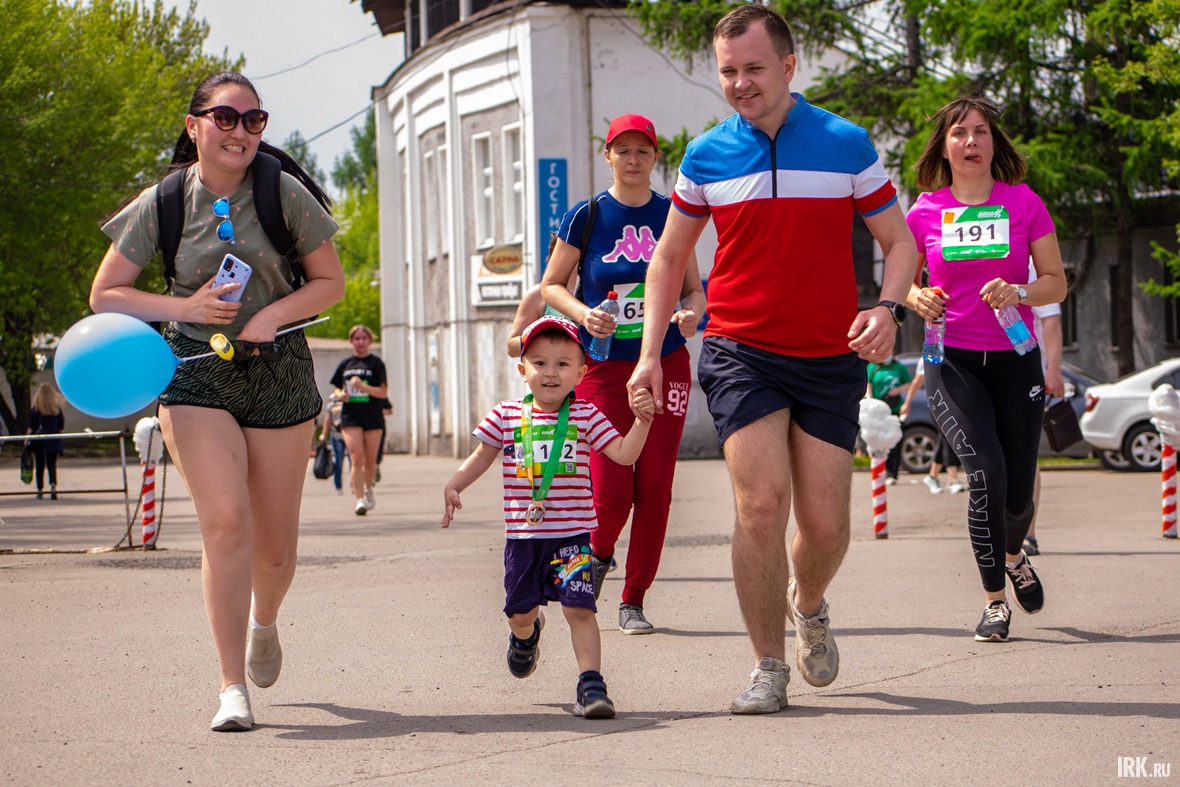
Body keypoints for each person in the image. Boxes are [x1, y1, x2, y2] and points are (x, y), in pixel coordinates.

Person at [627, 4, 917, 714]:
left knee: (824, 526)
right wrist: (647, 356)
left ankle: (808, 600)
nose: (740, 83)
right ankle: (767, 665)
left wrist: (888, 308)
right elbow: (668, 258)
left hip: (828, 354)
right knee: (760, 505)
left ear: (789, 66)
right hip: (739, 349)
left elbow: (900, 243)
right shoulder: (705, 154)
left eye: (754, 68)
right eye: (728, 71)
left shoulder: (846, 143)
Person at [91, 72, 345, 731]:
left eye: (253, 120)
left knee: (276, 553)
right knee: (227, 522)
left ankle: (266, 620)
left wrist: (273, 315)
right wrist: (185, 307)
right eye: (225, 118)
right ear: (194, 125)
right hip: (195, 370)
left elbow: (329, 283)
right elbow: (107, 293)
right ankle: (232, 685)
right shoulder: (166, 200)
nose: (239, 131)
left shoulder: (281, 190)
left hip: (278, 367)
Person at [904, 94, 1066, 643]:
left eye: (981, 132)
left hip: (1016, 361)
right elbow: (901, 280)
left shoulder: (1023, 203)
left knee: (1018, 493)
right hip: (951, 362)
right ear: (944, 147)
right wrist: (915, 295)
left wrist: (1019, 289)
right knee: (985, 473)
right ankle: (995, 602)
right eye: (959, 133)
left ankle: (1016, 553)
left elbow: (1056, 282)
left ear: (993, 143)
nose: (971, 141)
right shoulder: (924, 210)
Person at [441, 316, 655, 718]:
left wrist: (643, 421)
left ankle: (592, 686)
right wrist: (455, 484)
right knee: (519, 613)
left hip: (572, 537)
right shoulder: (505, 415)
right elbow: (481, 456)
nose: (550, 372)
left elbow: (625, 454)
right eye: (539, 362)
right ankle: (526, 635)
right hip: (524, 539)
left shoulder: (586, 415)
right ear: (523, 370)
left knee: (581, 609)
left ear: (581, 372)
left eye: (562, 363)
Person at [541, 113, 706, 634]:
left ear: (656, 158)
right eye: (623, 150)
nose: (633, 160)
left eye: (643, 151)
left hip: (666, 363)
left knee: (655, 488)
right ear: (607, 156)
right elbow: (550, 285)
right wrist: (582, 312)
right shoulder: (585, 217)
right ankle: (600, 552)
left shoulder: (673, 214)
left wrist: (690, 315)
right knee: (611, 492)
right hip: (605, 369)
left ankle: (633, 599)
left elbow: (694, 291)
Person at [1025, 264, 1065, 556]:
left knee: (1024, 455)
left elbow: (1050, 320)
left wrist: (1054, 370)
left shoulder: (1030, 265)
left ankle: (1028, 533)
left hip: (1026, 372)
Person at [330, 324, 388, 516]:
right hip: (350, 415)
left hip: (372, 416)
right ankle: (359, 499)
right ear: (351, 341)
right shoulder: (345, 364)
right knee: (356, 458)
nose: (360, 342)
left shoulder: (376, 364)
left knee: (370, 462)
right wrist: (342, 395)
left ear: (370, 341)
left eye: (364, 338)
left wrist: (363, 388)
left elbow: (383, 392)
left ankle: (368, 488)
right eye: (357, 338)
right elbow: (336, 388)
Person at [900, 358, 965, 494]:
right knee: (948, 438)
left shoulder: (955, 350)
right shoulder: (929, 354)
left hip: (955, 404)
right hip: (937, 406)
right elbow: (917, 382)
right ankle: (953, 478)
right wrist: (907, 403)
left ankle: (932, 475)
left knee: (944, 439)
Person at [864, 355, 912, 484]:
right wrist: (871, 400)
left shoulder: (899, 366)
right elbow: (868, 384)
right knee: (878, 442)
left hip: (895, 409)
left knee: (894, 442)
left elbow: (908, 384)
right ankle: (879, 471)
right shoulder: (873, 367)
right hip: (878, 410)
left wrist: (898, 390)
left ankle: (892, 473)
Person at [26, 383, 65, 501]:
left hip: (39, 442)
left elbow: (32, 426)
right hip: (53, 441)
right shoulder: (57, 410)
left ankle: (40, 489)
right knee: (52, 464)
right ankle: (53, 485)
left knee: (40, 465)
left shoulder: (36, 409)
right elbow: (61, 427)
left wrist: (27, 438)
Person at [318, 394, 347, 494]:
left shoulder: (353, 395)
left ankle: (355, 485)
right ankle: (338, 487)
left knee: (354, 461)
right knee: (338, 461)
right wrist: (324, 433)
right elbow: (328, 417)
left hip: (351, 433)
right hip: (336, 435)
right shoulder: (333, 397)